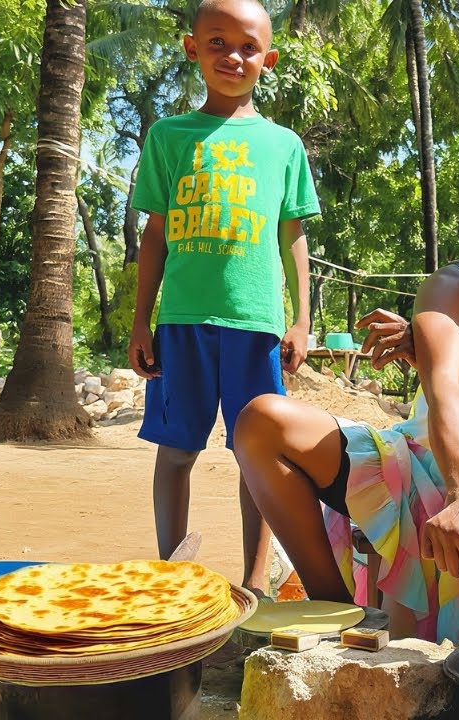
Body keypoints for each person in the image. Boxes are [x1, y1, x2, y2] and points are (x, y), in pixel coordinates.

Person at [232, 146, 459, 642]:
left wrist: (435, 353)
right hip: (428, 465)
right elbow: (444, 388)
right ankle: (340, 615)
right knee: (260, 421)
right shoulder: (452, 285)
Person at [127, 0, 320, 562]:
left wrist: (302, 320)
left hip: (256, 325)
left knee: (256, 455)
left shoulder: (284, 145)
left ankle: (255, 583)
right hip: (182, 322)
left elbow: (293, 238)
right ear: (193, 49)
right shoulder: (168, 136)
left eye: (247, 46)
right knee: (175, 449)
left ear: (269, 59)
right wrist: (142, 321)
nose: (232, 56)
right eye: (217, 43)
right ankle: (171, 571)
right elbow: (154, 237)